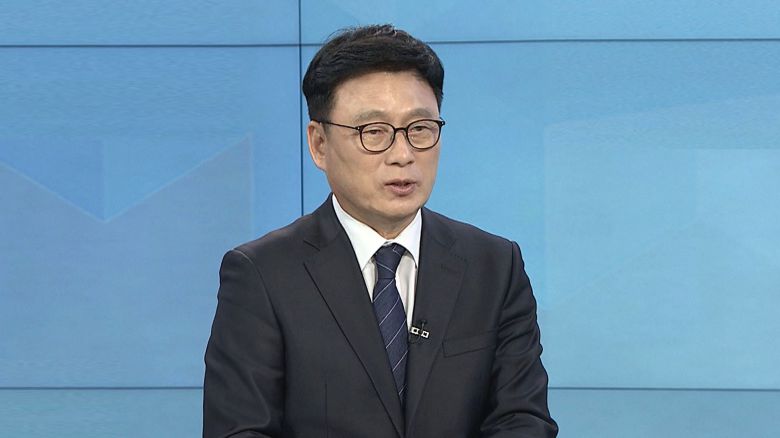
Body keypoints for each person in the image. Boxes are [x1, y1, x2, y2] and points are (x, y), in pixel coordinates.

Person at [203, 24, 558, 438]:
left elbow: (523, 420)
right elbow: (240, 431)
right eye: (374, 132)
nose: (403, 154)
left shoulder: (495, 266)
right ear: (319, 144)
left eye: (420, 128)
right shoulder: (262, 274)